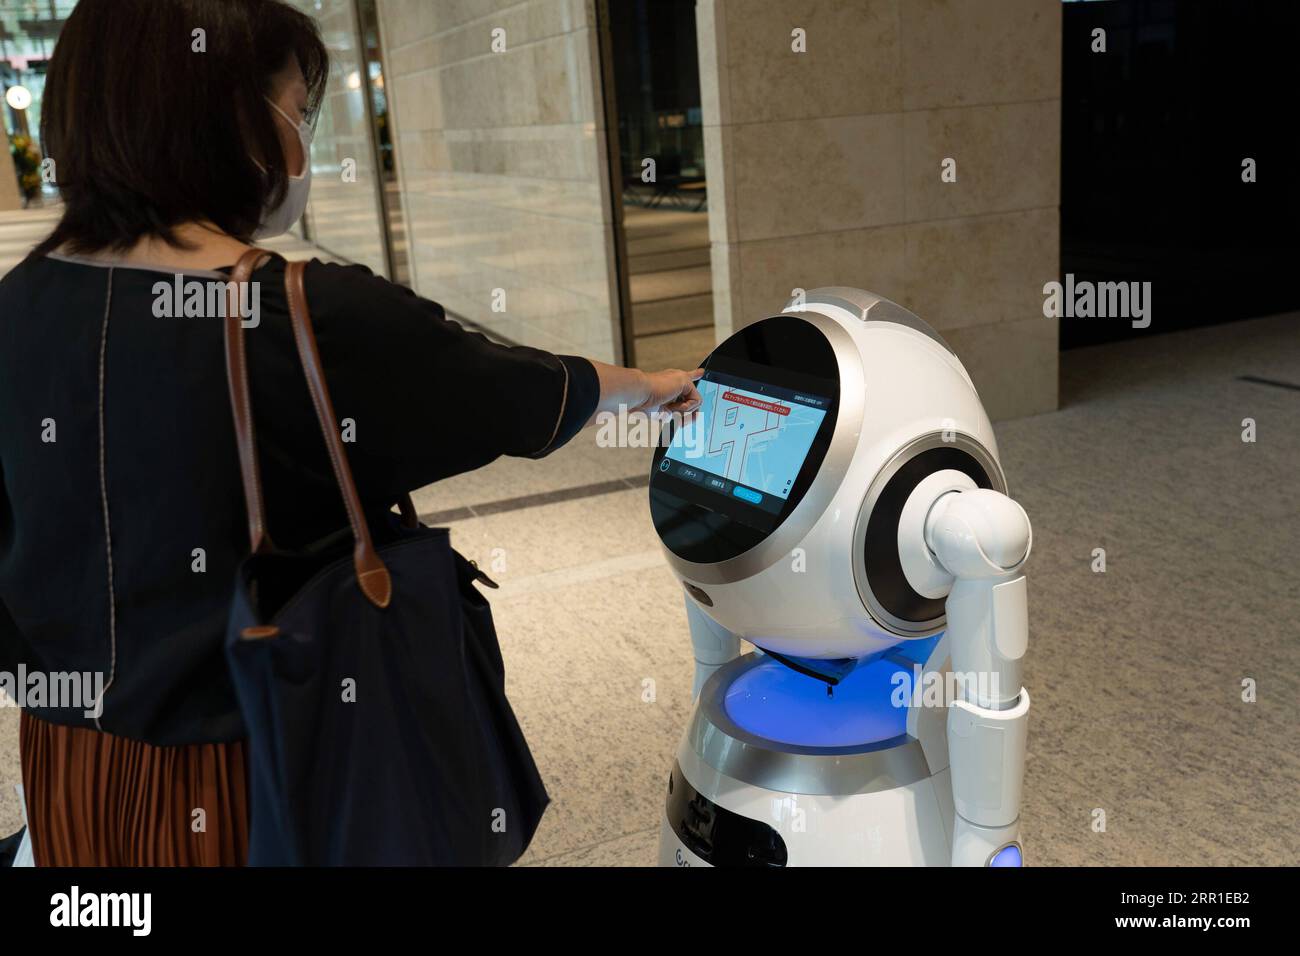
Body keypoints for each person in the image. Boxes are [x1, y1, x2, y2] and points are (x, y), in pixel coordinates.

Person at [0, 0, 701, 866]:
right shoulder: (306, 317)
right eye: (298, 109)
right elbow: (512, 394)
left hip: (73, 774)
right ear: (233, 117)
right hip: (268, 771)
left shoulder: (17, 308)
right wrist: (646, 389)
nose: (302, 139)